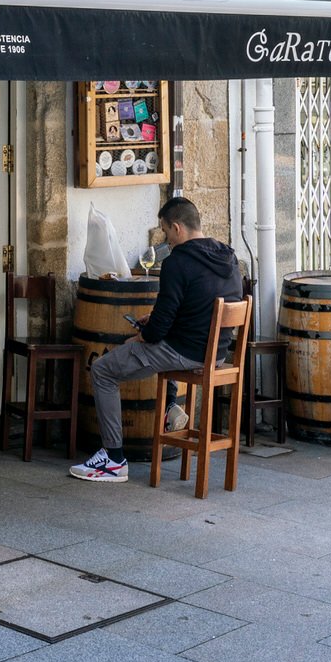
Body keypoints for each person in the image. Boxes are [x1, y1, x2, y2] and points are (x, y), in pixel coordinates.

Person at [69, 197, 243, 483]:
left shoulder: (178, 262)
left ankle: (113, 460)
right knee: (152, 348)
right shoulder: (227, 257)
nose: (166, 239)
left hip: (184, 351)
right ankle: (169, 407)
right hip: (216, 354)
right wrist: (155, 327)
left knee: (102, 371)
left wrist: (142, 336)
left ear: (177, 228)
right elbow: (196, 308)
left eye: (165, 231)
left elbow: (160, 326)